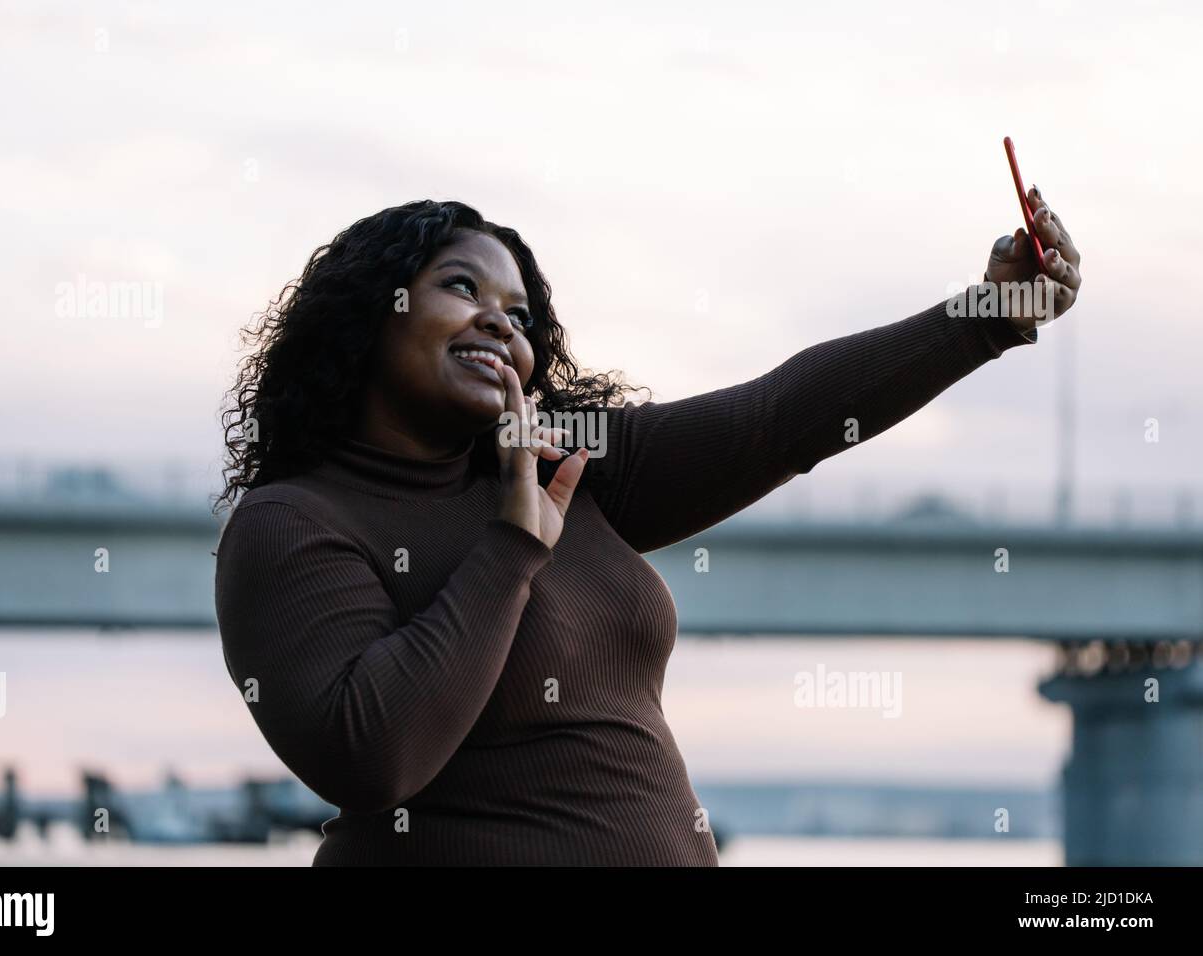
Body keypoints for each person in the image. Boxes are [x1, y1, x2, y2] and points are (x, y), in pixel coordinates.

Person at [213, 194, 1081, 865]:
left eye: (519, 317)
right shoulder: (292, 524)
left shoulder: (569, 461)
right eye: (462, 287)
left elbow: (776, 419)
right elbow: (374, 758)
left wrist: (989, 314)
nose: (500, 325)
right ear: (371, 312)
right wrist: (511, 548)